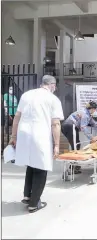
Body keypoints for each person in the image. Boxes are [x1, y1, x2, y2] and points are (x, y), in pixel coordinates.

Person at [9, 75, 64, 213]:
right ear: (52, 85)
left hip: (24, 134)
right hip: (40, 135)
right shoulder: (53, 99)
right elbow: (56, 123)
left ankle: (27, 196)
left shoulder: (26, 95)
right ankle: (34, 203)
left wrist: (13, 136)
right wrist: (57, 145)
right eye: (55, 87)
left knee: (31, 163)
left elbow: (17, 117)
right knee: (41, 167)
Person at [61, 101, 97, 174]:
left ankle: (75, 167)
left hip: (68, 127)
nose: (95, 111)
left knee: (76, 146)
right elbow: (83, 127)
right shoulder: (85, 114)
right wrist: (92, 138)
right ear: (93, 109)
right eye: (95, 109)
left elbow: (95, 124)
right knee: (75, 147)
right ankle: (72, 168)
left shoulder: (87, 114)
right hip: (70, 126)